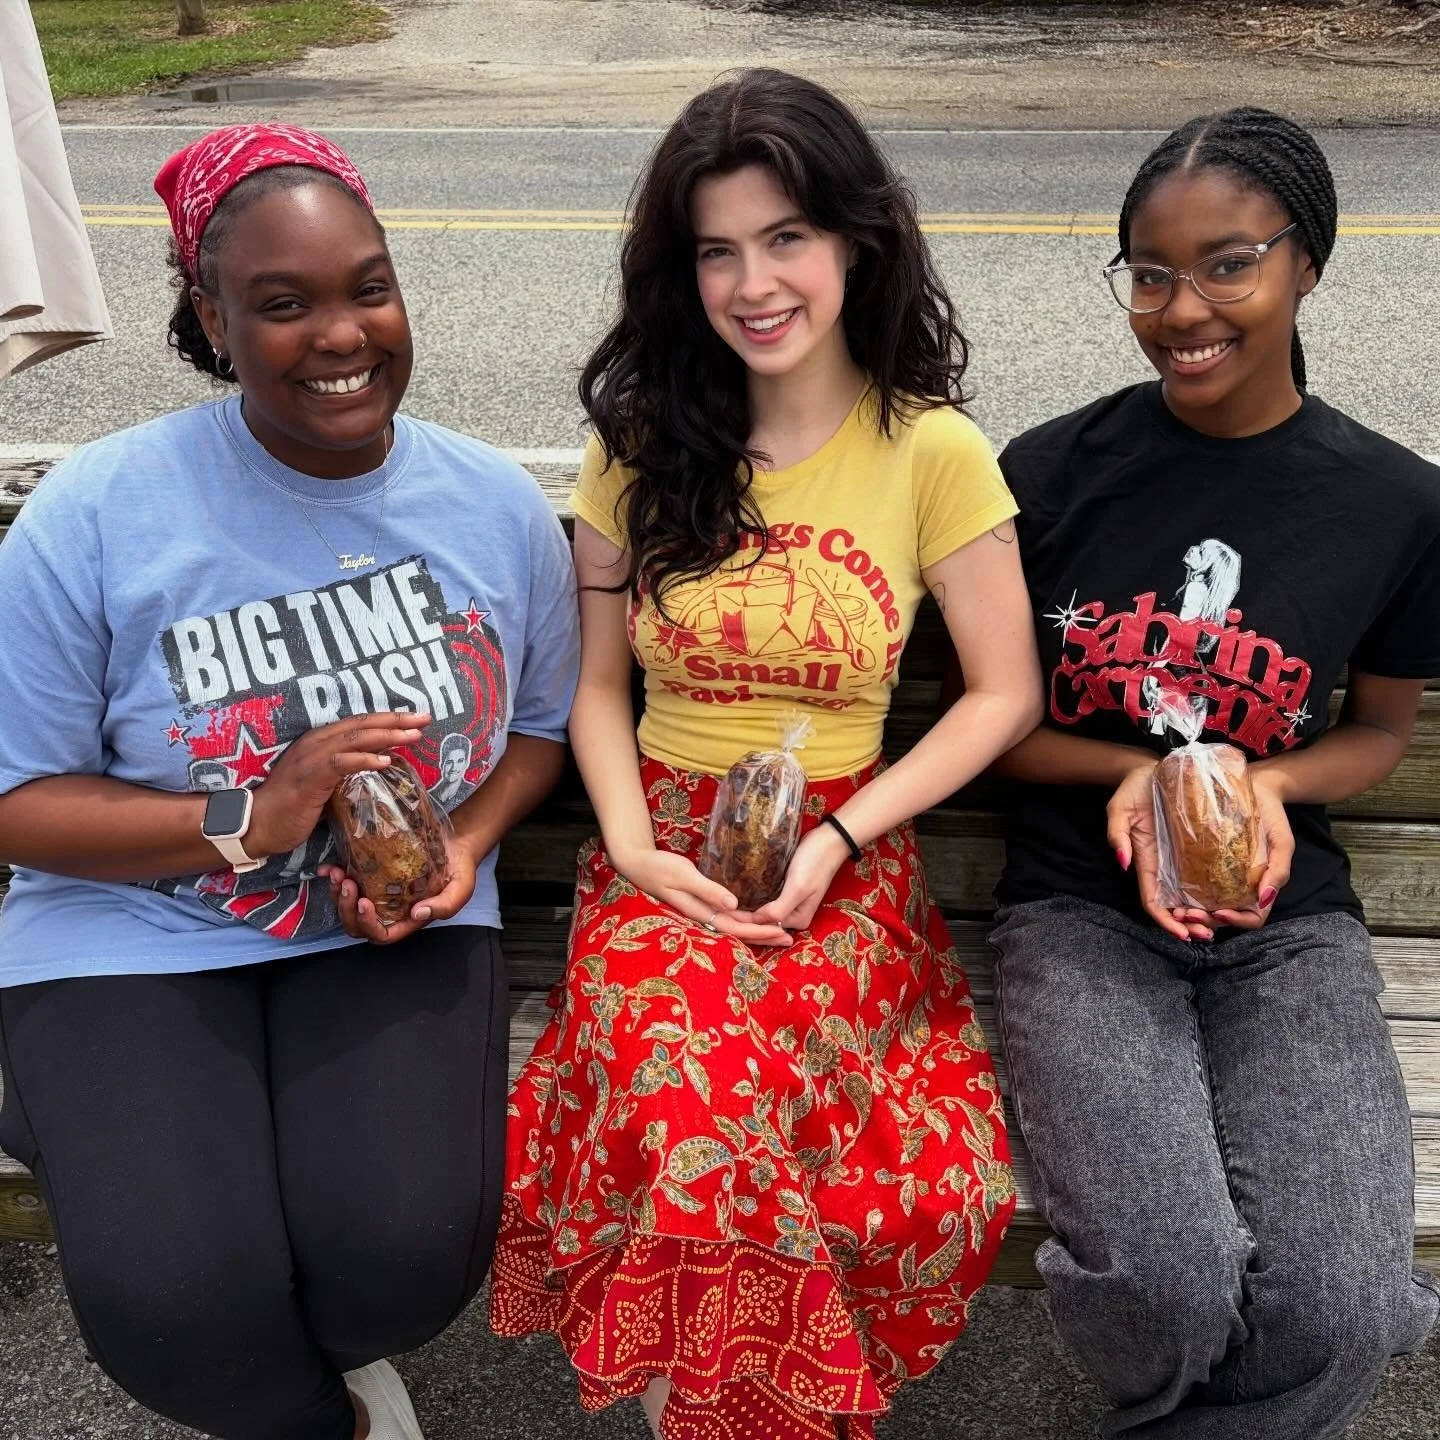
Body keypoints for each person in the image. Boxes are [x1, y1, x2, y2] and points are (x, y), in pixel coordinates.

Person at [0, 124, 579, 1440]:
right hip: (126, 928)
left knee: (403, 1257)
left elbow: (538, 730)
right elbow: (17, 802)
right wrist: (249, 817)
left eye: (367, 286)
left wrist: (471, 843)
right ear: (209, 314)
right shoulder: (96, 513)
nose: (342, 334)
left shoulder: (489, 506)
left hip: (387, 928)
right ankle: (326, 1425)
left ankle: (307, 1348)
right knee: (183, 1299)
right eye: (282, 302)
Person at [489, 69, 1042, 1440]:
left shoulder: (933, 452)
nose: (755, 283)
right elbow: (598, 681)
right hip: (659, 840)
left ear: (857, 238)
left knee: (780, 1120)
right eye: (717, 250)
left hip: (841, 845)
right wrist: (626, 847)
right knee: (688, 1092)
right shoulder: (639, 445)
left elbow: (1005, 694)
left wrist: (845, 837)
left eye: (786, 237)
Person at [989, 107, 1440, 1438]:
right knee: (1166, 1283)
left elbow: (1380, 733)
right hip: (1079, 915)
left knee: (1351, 1302)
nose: (1182, 307)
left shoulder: (1393, 505)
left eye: (1227, 262)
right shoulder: (1054, 472)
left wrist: (1268, 786)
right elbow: (995, 726)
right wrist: (1133, 775)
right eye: (1149, 271)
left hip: (1282, 935)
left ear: (1307, 263)